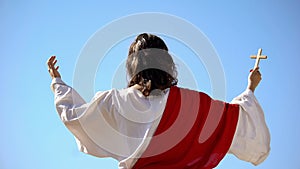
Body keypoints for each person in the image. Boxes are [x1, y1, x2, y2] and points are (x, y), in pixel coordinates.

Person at [47, 33, 270, 169]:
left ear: (132, 65)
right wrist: (250, 88)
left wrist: (58, 83)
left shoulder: (115, 102)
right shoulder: (190, 104)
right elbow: (234, 122)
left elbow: (74, 117)